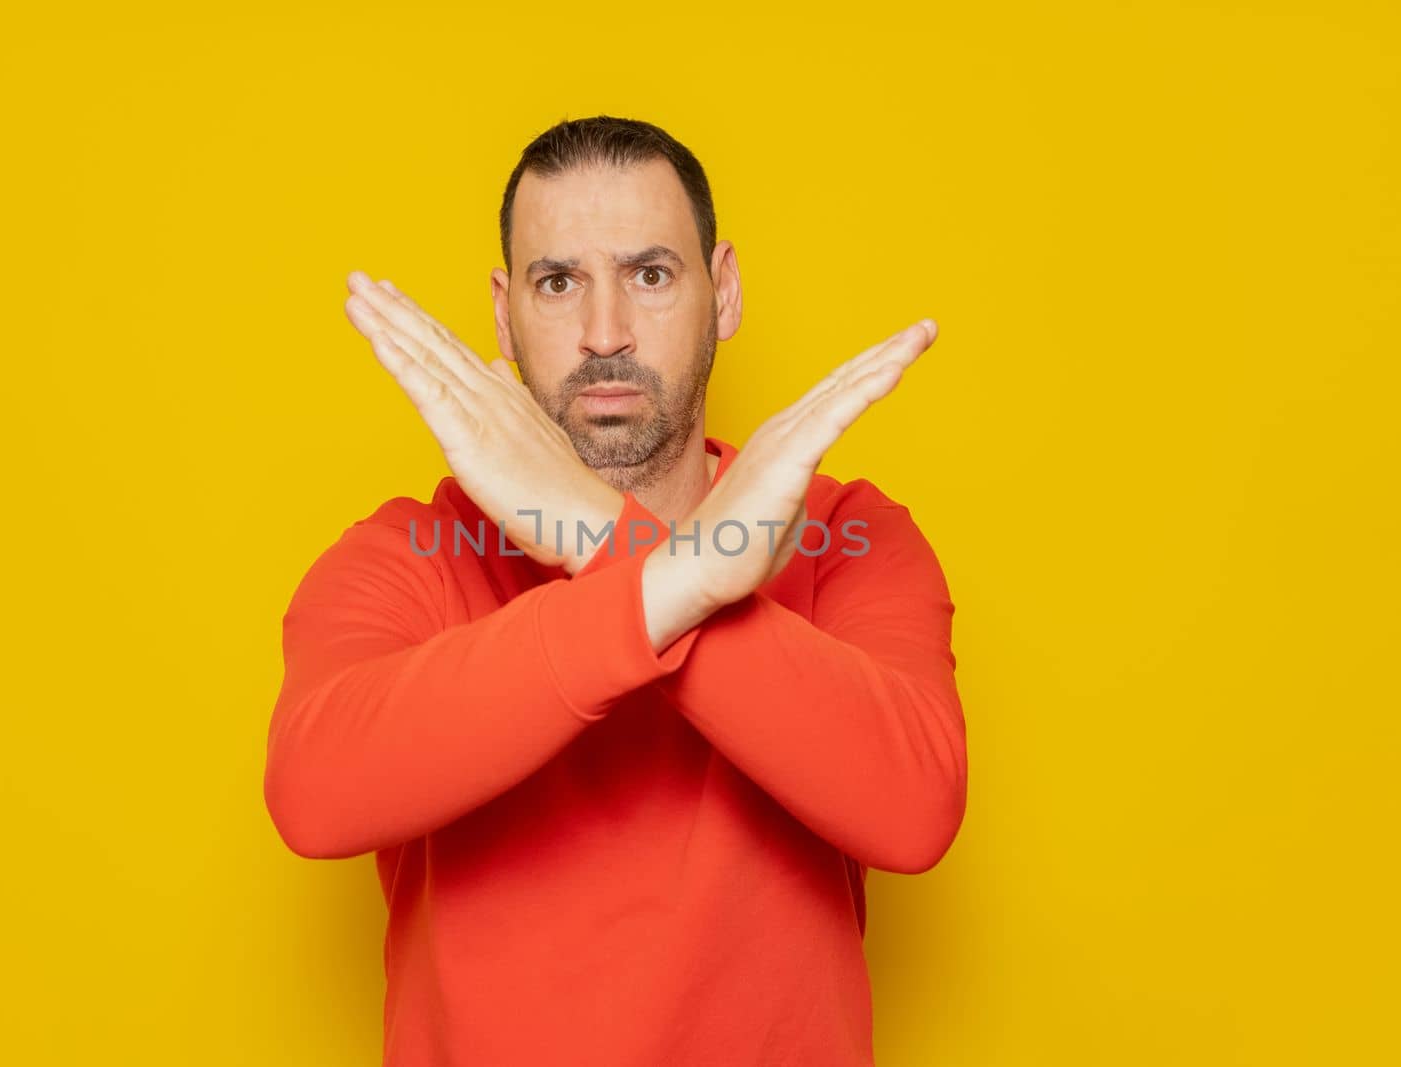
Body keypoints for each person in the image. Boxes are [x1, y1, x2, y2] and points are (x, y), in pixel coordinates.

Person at [264, 115, 968, 1067]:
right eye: (559, 283)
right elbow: (315, 794)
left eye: (649, 275)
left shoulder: (851, 539)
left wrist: (597, 537)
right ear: (505, 313)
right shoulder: (410, 553)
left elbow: (912, 806)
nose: (605, 335)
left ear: (721, 292)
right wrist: (685, 574)